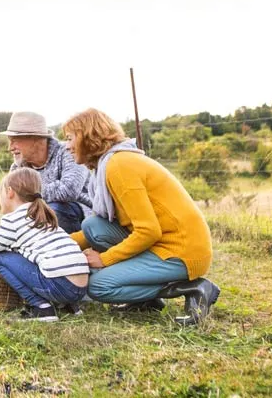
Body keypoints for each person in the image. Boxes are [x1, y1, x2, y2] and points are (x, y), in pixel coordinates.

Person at [62, 108, 220, 325]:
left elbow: (148, 230)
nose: (67, 146)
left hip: (181, 250)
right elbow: (109, 227)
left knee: (98, 286)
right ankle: (146, 301)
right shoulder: (111, 164)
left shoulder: (119, 166)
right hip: (161, 242)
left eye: (70, 138)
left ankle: (194, 287)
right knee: (93, 226)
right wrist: (58, 244)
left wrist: (105, 259)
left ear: (89, 137)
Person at [0, 167, 89, 322]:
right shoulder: (41, 214)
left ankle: (42, 308)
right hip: (81, 287)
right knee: (33, 258)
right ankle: (68, 305)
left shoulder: (12, 220)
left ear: (10, 192)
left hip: (61, 285)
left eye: (1, 193)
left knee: (0, 259)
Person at [1, 111, 91, 233]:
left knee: (52, 209)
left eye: (15, 140)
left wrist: (26, 193)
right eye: (9, 141)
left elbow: (69, 190)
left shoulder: (69, 152)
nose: (10, 147)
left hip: (85, 220)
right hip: (40, 220)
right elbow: (9, 201)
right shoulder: (18, 168)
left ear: (36, 139)